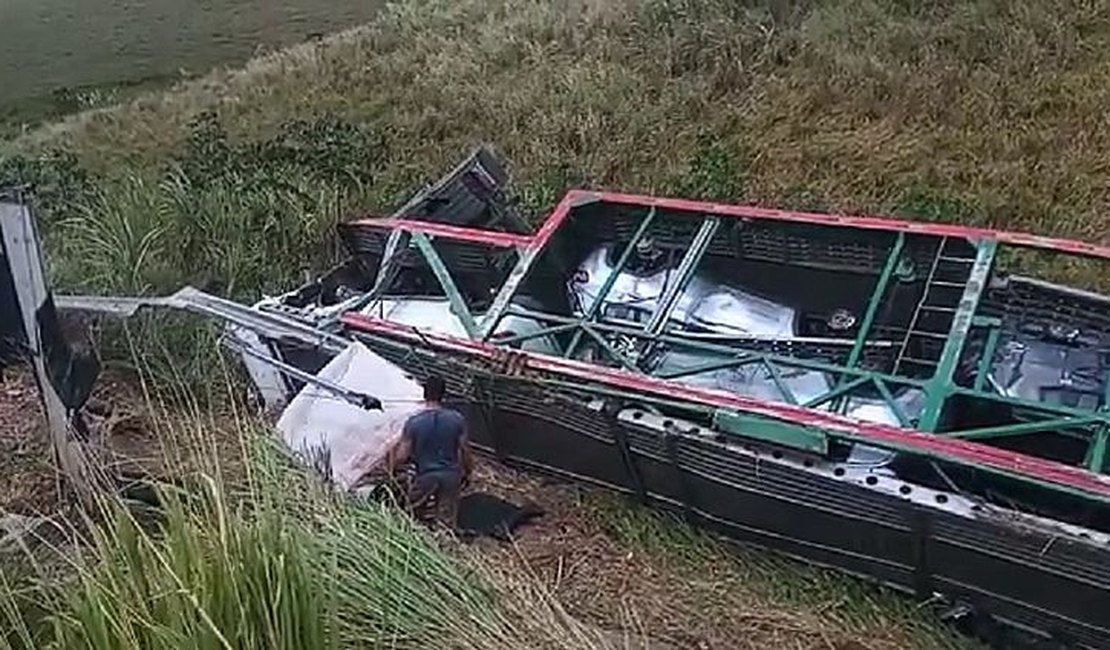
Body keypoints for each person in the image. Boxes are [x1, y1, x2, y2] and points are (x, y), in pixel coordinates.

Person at [391, 375, 473, 529]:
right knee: (445, 522)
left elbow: (401, 456)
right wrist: (467, 472)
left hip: (425, 476)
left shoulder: (414, 422)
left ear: (424, 394)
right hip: (451, 476)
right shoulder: (457, 419)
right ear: (444, 394)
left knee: (412, 518)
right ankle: (443, 545)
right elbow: (465, 451)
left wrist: (393, 470)